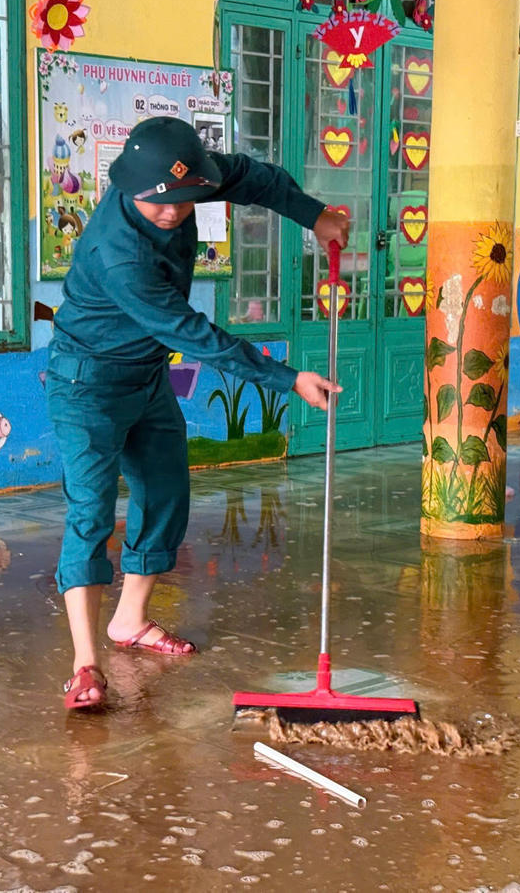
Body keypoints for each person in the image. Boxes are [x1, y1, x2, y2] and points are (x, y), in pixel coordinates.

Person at [46, 116, 350, 709]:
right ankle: (86, 665)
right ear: (132, 187)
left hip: (147, 374)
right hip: (87, 382)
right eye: (160, 205)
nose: (173, 214)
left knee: (166, 492)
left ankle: (129, 620)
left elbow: (257, 178)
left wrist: (314, 215)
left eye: (185, 202)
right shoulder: (118, 254)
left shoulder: (182, 185)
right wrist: (287, 379)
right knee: (90, 512)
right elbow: (194, 333)